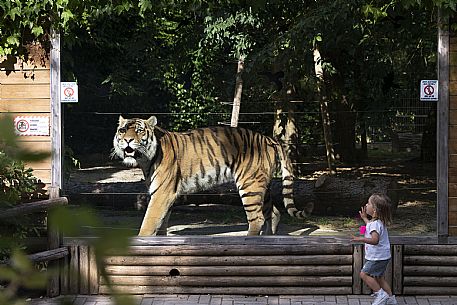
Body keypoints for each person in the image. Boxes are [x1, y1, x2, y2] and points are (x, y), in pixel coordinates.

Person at [351, 193, 397, 305]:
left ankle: (381, 295)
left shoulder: (375, 224)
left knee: (363, 274)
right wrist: (364, 218)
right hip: (382, 256)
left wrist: (360, 239)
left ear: (375, 210)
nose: (366, 205)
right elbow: (369, 226)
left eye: (369, 203)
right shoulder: (377, 222)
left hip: (376, 257)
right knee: (379, 277)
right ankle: (391, 299)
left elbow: (375, 240)